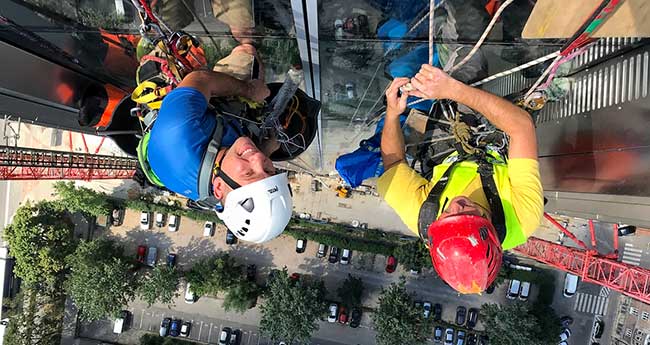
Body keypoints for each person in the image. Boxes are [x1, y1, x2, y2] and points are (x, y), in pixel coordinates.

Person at [378, 65, 543, 294]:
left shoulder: (424, 216)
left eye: (448, 214)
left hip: (447, 150)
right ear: (491, 227)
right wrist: (453, 89)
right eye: (471, 213)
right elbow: (521, 128)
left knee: (467, 65)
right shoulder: (522, 216)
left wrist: (393, 113)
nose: (458, 204)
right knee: (523, 78)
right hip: (500, 144)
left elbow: (393, 163)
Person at [138, 42, 294, 244]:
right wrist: (267, 149)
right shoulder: (222, 197)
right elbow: (254, 164)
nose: (258, 158)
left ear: (218, 188)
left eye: (249, 173)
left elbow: (198, 79)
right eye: (269, 171)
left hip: (184, 108)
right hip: (214, 133)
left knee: (247, 53)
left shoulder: (181, 134)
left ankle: (244, 38)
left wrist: (249, 90)